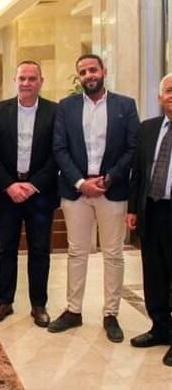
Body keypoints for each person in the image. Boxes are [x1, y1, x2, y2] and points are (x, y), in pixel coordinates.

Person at [50, 54, 140, 342]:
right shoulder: (67, 106)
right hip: (75, 190)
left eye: (93, 70)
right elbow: (59, 148)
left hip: (111, 189)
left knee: (113, 253)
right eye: (83, 72)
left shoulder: (125, 105)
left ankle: (111, 314)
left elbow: (133, 148)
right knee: (76, 251)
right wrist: (80, 182)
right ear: (79, 77)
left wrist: (109, 178)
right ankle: (73, 310)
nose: (88, 75)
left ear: (104, 71)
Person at [0, 60, 58, 327]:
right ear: (15, 81)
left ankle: (38, 305)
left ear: (41, 81)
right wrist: (9, 185)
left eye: (32, 78)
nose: (26, 83)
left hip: (40, 194)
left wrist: (33, 185)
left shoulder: (55, 111)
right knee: (6, 249)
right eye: (22, 78)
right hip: (7, 192)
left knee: (40, 250)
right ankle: (4, 301)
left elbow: (57, 153)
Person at [126, 73, 172, 366]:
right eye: (168, 91)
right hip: (151, 210)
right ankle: (160, 328)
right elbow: (138, 173)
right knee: (154, 273)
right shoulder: (148, 128)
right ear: (160, 97)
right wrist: (132, 209)